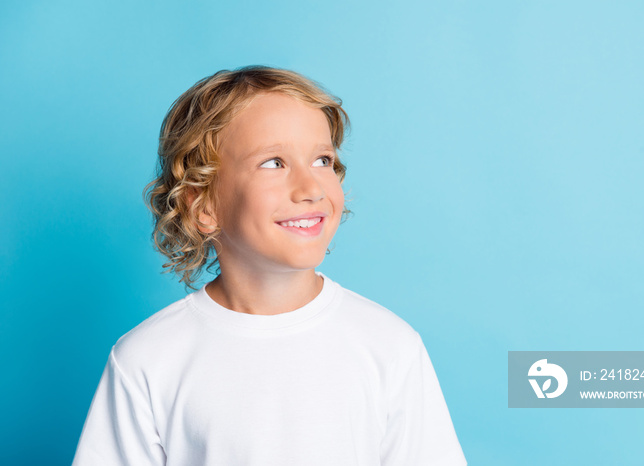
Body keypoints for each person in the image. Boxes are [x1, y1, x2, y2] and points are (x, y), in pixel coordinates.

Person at [72, 66, 467, 466]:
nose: (311, 189)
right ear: (203, 205)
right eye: (273, 163)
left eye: (322, 160)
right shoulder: (147, 359)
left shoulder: (389, 345)